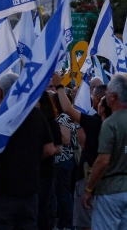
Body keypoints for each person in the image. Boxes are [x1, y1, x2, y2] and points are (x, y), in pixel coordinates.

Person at [0, 73, 55, 229]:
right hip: (30, 192)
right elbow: (49, 149)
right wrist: (30, 156)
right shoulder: (37, 115)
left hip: (0, 195)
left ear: (0, 93)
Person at [53, 73, 109, 230]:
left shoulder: (94, 123)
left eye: (93, 96)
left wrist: (59, 86)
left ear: (99, 101)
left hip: (89, 178)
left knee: (85, 224)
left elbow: (67, 109)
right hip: (111, 184)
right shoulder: (119, 124)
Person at [83, 74, 127, 229]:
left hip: (110, 192)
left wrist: (89, 189)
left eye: (107, 92)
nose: (104, 96)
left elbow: (103, 161)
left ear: (113, 96)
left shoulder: (110, 123)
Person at [49, 91, 77, 230]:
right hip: (66, 160)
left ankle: (68, 223)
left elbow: (65, 140)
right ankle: (63, 222)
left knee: (64, 193)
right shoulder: (65, 117)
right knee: (62, 192)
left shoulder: (63, 118)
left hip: (63, 159)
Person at [36, 92, 62, 230]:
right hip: (34, 172)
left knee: (42, 208)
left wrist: (38, 155)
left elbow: (58, 148)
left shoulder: (51, 123)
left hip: (44, 170)